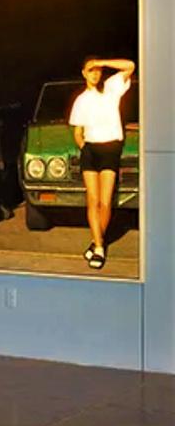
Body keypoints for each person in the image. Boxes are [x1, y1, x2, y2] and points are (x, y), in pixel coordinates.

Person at [70, 56, 134, 270]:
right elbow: (77, 132)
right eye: (91, 70)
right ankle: (99, 247)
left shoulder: (111, 88)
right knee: (93, 201)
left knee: (106, 202)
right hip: (90, 150)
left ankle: (96, 241)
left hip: (111, 149)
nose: (95, 73)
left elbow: (130, 66)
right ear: (84, 74)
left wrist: (102, 62)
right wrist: (85, 148)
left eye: (98, 70)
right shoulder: (81, 100)